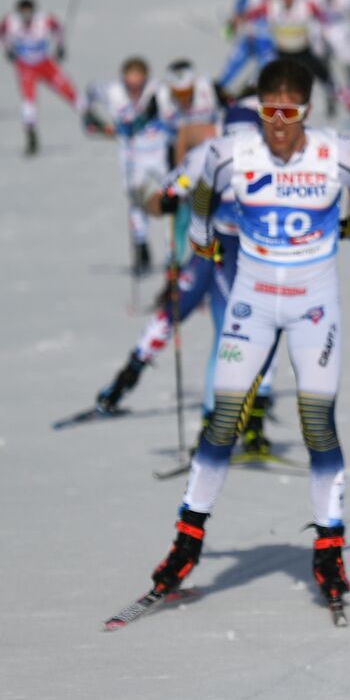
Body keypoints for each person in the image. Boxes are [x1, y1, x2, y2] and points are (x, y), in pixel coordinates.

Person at [146, 59, 350, 615]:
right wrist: (203, 243)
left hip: (313, 308)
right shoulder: (230, 152)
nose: (277, 125)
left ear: (307, 110)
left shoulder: (342, 153)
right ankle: (186, 542)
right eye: (267, 111)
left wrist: (342, 229)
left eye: (289, 112)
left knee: (316, 421)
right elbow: (200, 200)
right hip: (252, 302)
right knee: (223, 418)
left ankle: (329, 547)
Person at [97, 105, 279, 460]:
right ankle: (245, 422)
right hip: (228, 255)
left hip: (218, 253)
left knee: (193, 323)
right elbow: (169, 191)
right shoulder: (255, 158)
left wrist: (159, 199)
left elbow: (168, 191)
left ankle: (126, 384)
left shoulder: (210, 154)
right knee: (243, 330)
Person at [81, 57, 170, 275]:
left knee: (171, 197)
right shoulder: (112, 91)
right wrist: (93, 120)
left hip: (159, 152)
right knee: (135, 199)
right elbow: (88, 93)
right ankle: (141, 247)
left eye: (139, 79)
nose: (135, 85)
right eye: (130, 80)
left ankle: (173, 252)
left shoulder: (158, 90)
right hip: (132, 155)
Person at [0, 0, 79, 156]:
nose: (26, 15)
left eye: (29, 11)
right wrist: (8, 49)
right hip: (26, 66)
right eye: (23, 11)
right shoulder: (11, 22)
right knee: (29, 99)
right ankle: (31, 134)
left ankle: (90, 117)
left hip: (45, 63)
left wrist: (60, 47)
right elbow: (0, 33)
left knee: (67, 90)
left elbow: (59, 29)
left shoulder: (44, 19)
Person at [268, 0, 339, 118]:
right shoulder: (272, 4)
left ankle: (337, 97)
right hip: (283, 52)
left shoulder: (305, 4)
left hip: (302, 50)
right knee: (277, 80)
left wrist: (329, 33)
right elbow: (250, 14)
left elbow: (324, 17)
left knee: (323, 74)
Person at [219, 0, 279, 93]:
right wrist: (232, 26)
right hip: (247, 36)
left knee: (266, 67)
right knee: (234, 62)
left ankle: (252, 90)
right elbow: (238, 11)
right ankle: (221, 87)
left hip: (266, 39)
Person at [156, 59, 224, 166]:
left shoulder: (209, 88)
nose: (184, 98)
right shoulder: (161, 97)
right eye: (179, 94)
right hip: (181, 152)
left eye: (187, 92)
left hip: (212, 145)